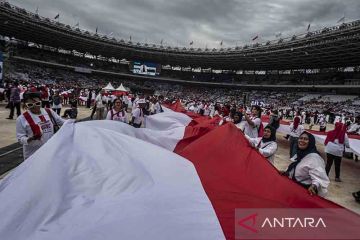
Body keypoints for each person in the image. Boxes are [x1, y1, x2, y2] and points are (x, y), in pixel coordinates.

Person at [16, 91, 65, 159]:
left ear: (41, 102)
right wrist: (30, 139)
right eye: (30, 105)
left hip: (50, 151)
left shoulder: (49, 111)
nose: (35, 106)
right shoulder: (21, 119)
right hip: (33, 154)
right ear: (25, 105)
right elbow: (20, 138)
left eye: (37, 103)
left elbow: (63, 122)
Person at [283, 132, 330, 196]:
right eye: (301, 138)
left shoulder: (314, 158)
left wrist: (314, 186)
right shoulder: (300, 154)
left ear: (311, 142)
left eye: (305, 139)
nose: (302, 140)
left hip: (304, 192)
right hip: (294, 188)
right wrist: (287, 173)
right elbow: (296, 168)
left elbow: (319, 178)